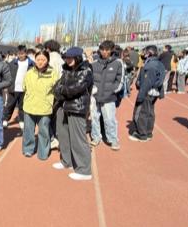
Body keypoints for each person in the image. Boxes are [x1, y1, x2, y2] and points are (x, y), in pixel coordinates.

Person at [52, 47, 94, 181]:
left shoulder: (86, 70)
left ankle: (84, 170)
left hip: (77, 107)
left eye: (71, 57)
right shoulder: (66, 70)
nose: (68, 60)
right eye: (66, 57)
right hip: (63, 106)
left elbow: (75, 89)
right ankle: (67, 161)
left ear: (77, 57)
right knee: (63, 135)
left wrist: (62, 90)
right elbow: (56, 87)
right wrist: (61, 90)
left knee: (78, 138)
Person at [22, 50, 59, 160]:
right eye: (38, 59)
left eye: (43, 59)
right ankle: (28, 149)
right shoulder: (29, 73)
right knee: (28, 131)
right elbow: (24, 87)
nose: (40, 62)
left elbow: (57, 90)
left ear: (48, 60)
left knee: (43, 131)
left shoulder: (53, 74)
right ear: (35, 60)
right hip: (29, 107)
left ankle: (43, 153)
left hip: (44, 108)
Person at [90, 40, 124, 151]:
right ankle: (96, 137)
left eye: (107, 50)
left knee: (109, 119)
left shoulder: (118, 63)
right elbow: (90, 78)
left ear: (111, 50)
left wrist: (112, 91)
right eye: (102, 49)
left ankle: (113, 139)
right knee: (94, 118)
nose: (104, 52)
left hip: (109, 97)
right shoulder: (94, 63)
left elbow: (120, 80)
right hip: (95, 97)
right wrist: (92, 89)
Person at [128, 46, 165, 142]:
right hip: (154, 92)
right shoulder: (159, 63)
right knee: (150, 112)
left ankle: (142, 134)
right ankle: (148, 132)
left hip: (147, 92)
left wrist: (140, 95)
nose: (143, 54)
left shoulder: (150, 66)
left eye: (144, 52)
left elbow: (147, 82)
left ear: (149, 53)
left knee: (142, 112)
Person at [4, 45, 34, 129]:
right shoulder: (12, 63)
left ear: (26, 53)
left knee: (22, 106)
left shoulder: (31, 63)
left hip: (25, 89)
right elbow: (7, 74)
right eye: (19, 53)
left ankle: (21, 120)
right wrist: (7, 85)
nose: (21, 55)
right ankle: (5, 119)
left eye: (22, 53)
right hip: (14, 87)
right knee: (10, 105)